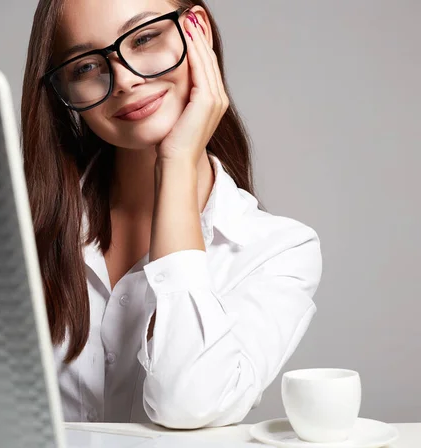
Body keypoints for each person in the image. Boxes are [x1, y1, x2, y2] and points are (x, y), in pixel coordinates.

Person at [20, 0, 322, 430]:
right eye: (85, 67)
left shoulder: (278, 251)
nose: (123, 80)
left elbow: (190, 406)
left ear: (197, 29)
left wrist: (177, 164)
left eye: (144, 39)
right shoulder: (17, 231)